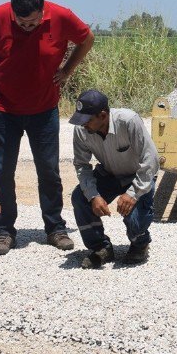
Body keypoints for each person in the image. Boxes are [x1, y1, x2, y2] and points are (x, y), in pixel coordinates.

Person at [0, 0, 94, 256]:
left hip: (44, 109)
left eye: (33, 22)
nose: (27, 27)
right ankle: (3, 231)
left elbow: (87, 39)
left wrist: (67, 70)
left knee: (49, 170)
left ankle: (55, 228)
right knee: (2, 172)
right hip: (3, 110)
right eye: (21, 22)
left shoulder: (62, 17)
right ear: (12, 12)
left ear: (44, 10)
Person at [69, 89, 159, 268]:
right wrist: (94, 195)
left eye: (87, 120)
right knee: (80, 198)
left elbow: (151, 160)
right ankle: (101, 247)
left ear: (102, 115)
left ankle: (140, 244)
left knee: (135, 219)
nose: (83, 125)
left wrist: (132, 194)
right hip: (109, 174)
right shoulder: (81, 130)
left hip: (138, 177)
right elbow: (82, 165)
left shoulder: (128, 121)